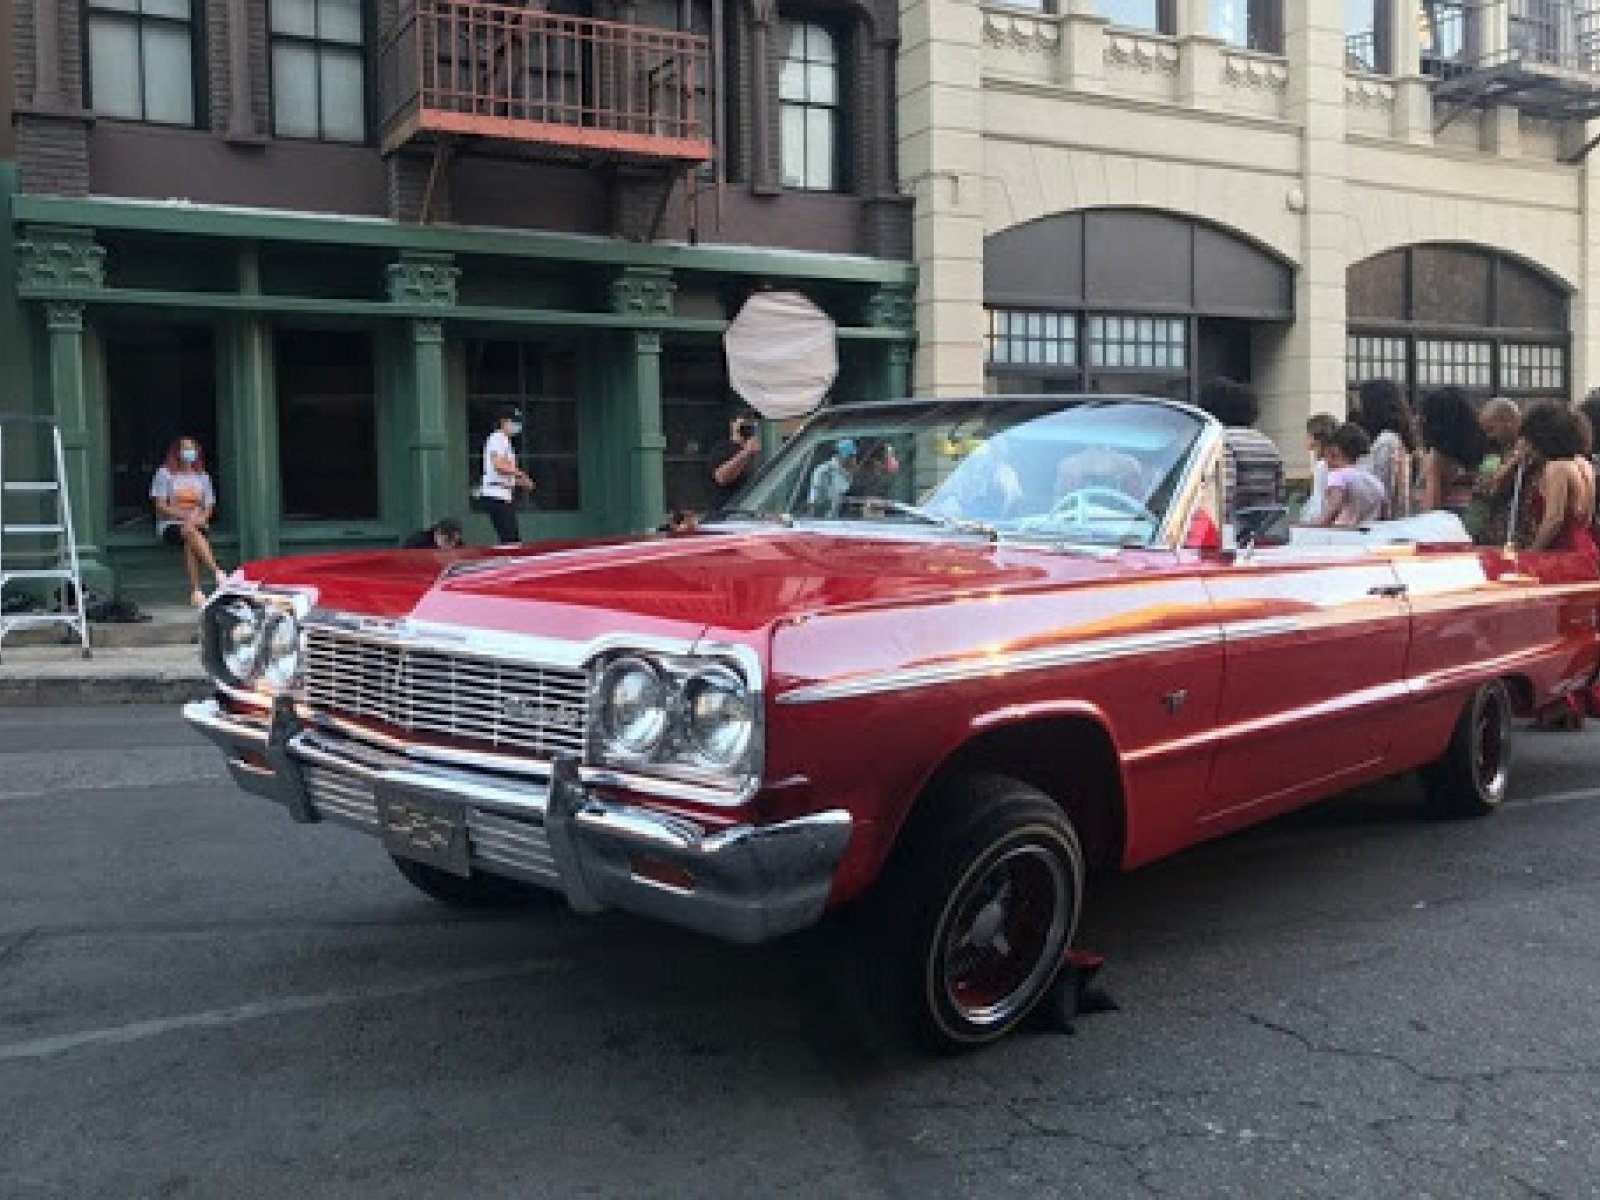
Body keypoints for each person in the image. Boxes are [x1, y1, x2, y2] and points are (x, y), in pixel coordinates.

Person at [149, 435, 226, 607]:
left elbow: (209, 507)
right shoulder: (165, 474)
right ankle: (217, 572)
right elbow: (160, 506)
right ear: (176, 452)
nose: (188, 452)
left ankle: (196, 591)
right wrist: (185, 517)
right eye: (184, 448)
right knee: (189, 532)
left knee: (190, 540)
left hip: (197, 525)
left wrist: (201, 519)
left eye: (192, 449)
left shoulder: (203, 476)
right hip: (171, 525)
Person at [1198, 376, 1285, 522]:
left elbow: (1225, 490)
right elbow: (1279, 491)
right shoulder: (1267, 442)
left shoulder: (1223, 441)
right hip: (1263, 525)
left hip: (1233, 527)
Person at [1519, 402, 1598, 559]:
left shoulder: (1557, 468)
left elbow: (1553, 520)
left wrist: (1531, 554)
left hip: (1561, 551)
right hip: (1585, 545)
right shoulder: (1584, 464)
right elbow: (1587, 517)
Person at [1417, 387, 1490, 537]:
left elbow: (1433, 504)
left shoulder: (1436, 457)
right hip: (1464, 526)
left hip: (1440, 531)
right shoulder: (1471, 453)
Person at [1353, 378, 1417, 520]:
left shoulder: (1386, 441)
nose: (1359, 409)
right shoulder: (1390, 439)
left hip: (1382, 521)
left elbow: (1380, 485)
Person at [1307, 422, 1387, 528]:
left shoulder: (1338, 475)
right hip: (1369, 533)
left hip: (1342, 533)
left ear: (1335, 452)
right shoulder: (1375, 482)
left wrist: (1315, 527)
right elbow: (1384, 510)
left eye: (1327, 455)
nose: (1326, 462)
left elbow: (1334, 507)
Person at [1477, 397, 1528, 546]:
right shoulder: (1500, 450)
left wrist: (1512, 463)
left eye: (1491, 429)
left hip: (1518, 536)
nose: (1489, 436)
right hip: (1496, 534)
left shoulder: (1528, 451)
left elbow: (1491, 490)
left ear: (1509, 420)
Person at [480, 407, 534, 544]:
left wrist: (523, 482)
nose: (517, 426)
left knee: (511, 538)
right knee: (511, 540)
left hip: (504, 493)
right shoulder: (497, 438)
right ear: (504, 421)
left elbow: (505, 475)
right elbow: (498, 465)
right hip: (496, 494)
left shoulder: (505, 441)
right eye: (513, 422)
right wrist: (519, 473)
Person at [708, 412, 761, 509]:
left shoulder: (755, 450)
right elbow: (721, 478)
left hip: (749, 507)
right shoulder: (722, 448)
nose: (746, 428)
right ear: (732, 424)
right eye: (743, 424)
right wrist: (745, 453)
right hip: (726, 509)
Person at [1301, 413, 1339, 523]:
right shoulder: (1333, 462)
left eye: (1308, 434)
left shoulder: (1322, 466)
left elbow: (1318, 499)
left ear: (1316, 438)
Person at [807, 438, 858, 517]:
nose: (854, 460)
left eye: (854, 456)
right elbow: (814, 502)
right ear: (842, 456)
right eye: (851, 456)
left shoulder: (848, 473)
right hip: (827, 522)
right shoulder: (824, 472)